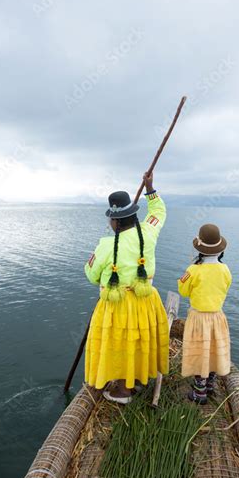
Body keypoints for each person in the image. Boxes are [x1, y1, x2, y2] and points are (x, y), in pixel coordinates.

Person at [84, 173, 169, 404]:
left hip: (118, 304)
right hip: (146, 299)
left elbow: (92, 275)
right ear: (133, 215)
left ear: (116, 221)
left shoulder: (106, 245)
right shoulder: (148, 234)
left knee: (120, 343)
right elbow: (158, 213)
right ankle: (139, 380)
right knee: (140, 339)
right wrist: (150, 189)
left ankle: (123, 391)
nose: (109, 223)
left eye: (111, 219)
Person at [178, 223, 232, 404]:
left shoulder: (193, 270)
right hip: (217, 317)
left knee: (199, 352)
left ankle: (199, 393)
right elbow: (226, 287)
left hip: (198, 318)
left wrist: (187, 274)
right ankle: (210, 385)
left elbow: (183, 291)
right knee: (213, 350)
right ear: (220, 249)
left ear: (199, 249)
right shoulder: (225, 269)